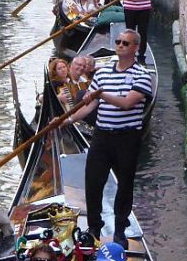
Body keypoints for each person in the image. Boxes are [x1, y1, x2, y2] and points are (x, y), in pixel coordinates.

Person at [65, 30, 152, 247]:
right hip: (102, 136)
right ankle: (94, 227)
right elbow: (89, 105)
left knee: (125, 185)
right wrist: (67, 120)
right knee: (93, 181)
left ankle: (120, 229)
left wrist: (99, 94)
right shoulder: (102, 74)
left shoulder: (143, 75)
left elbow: (126, 103)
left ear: (135, 48)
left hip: (127, 138)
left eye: (126, 43)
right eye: (118, 42)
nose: (120, 45)